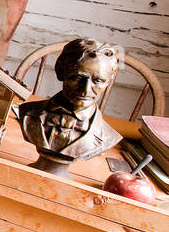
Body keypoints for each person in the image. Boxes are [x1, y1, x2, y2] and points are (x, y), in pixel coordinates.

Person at [17, 38, 124, 176]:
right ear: (61, 72)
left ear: (109, 81)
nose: (85, 90)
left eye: (98, 81)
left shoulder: (108, 136)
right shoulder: (27, 112)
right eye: (77, 78)